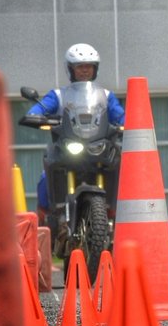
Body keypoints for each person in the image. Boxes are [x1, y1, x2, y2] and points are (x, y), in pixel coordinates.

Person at [27, 43, 125, 223]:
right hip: (66, 146)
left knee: (123, 168)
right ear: (70, 69)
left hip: (98, 146)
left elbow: (120, 115)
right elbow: (37, 110)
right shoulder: (58, 95)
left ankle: (115, 213)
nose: (85, 70)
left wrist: (128, 124)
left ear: (95, 69)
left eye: (89, 66)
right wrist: (35, 117)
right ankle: (44, 217)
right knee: (45, 176)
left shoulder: (105, 95)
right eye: (80, 66)